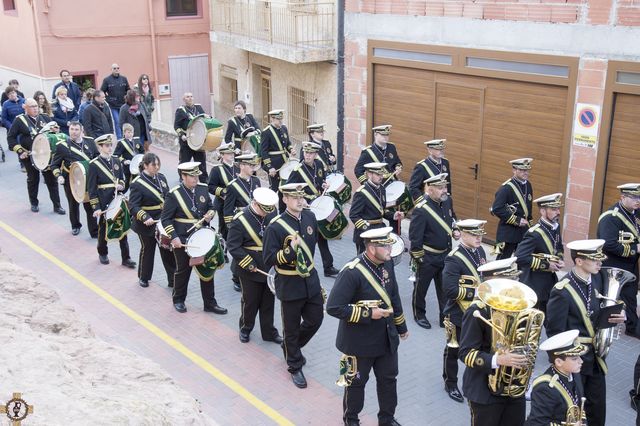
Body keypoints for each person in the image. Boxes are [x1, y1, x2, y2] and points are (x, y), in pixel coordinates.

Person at [327, 226, 408, 426]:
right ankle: (351, 420)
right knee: (355, 385)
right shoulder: (351, 272)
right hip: (358, 344)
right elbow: (334, 307)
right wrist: (369, 313)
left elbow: (393, 296)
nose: (391, 248)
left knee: (389, 381)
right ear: (372, 248)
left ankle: (387, 419)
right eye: (386, 245)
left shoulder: (386, 264)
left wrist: (401, 326)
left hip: (386, 340)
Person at [546, 239, 626, 426]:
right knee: (576, 410)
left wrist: (620, 313)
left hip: (597, 358)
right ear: (579, 261)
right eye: (594, 259)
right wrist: (566, 362)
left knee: (597, 409)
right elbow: (554, 332)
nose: (600, 263)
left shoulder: (599, 277)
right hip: (575, 360)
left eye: (600, 258)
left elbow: (611, 302)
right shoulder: (562, 290)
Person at [263, 183, 324, 388]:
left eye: (302, 196)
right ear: (285, 200)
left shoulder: (310, 217)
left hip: (310, 280)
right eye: (294, 197)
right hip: (289, 283)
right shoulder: (275, 226)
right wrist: (290, 251)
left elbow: (314, 243)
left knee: (315, 319)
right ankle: (294, 365)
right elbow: (269, 258)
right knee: (290, 328)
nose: (300, 200)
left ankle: (291, 347)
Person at [458, 277, 531, 426]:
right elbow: (465, 353)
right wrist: (497, 360)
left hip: (513, 389)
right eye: (509, 279)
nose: (514, 283)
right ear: (492, 280)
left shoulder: (519, 307)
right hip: (484, 391)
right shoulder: (478, 311)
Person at [160, 161, 228, 315]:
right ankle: (178, 299)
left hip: (202, 237)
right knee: (183, 271)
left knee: (207, 270)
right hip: (183, 239)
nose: (196, 178)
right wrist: (174, 238)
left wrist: (211, 213)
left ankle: (210, 303)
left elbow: (211, 207)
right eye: (192, 176)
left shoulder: (202, 189)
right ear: (183, 176)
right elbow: (166, 219)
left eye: (197, 175)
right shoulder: (174, 194)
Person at [226, 187, 283, 345]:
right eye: (263, 210)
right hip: (249, 267)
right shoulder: (240, 219)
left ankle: (269, 332)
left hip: (268, 265)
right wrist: (248, 263)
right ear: (255, 204)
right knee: (250, 301)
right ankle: (245, 328)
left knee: (268, 301)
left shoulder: (271, 212)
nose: (266, 214)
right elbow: (233, 246)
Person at [441, 219, 487, 403]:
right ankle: (450, 382)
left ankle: (475, 382)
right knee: (453, 350)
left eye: (480, 234)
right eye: (475, 234)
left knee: (477, 348)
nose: (479, 237)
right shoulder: (454, 257)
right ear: (463, 234)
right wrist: (477, 292)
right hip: (458, 312)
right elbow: (450, 290)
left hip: (476, 312)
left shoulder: (480, 250)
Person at [409, 173, 458, 330]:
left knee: (444, 288)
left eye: (445, 187)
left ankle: (444, 316)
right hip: (427, 256)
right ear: (429, 190)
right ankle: (419, 315)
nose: (445, 190)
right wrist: (419, 258)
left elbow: (452, 217)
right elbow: (415, 237)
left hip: (444, 254)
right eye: (440, 188)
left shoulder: (447, 201)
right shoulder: (421, 210)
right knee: (421, 288)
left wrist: (455, 229)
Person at [286, 141, 340, 277]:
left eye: (310, 153)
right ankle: (303, 264)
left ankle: (328, 267)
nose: (307, 155)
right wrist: (301, 200)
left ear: (316, 154)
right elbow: (287, 189)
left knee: (322, 237)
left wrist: (324, 185)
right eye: (305, 152)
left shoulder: (319, 165)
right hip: (306, 208)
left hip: (319, 205)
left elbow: (320, 180)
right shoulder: (298, 170)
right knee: (308, 238)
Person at [597, 183, 640, 339]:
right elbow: (608, 243)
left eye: (639, 197)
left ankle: (632, 326)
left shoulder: (636, 213)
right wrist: (635, 249)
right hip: (614, 265)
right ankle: (601, 325)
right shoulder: (610, 218)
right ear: (622, 197)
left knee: (630, 295)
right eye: (634, 197)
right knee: (609, 298)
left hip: (631, 265)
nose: (638, 200)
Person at [7, 98, 65, 214]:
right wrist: (20, 151)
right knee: (33, 179)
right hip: (30, 155)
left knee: (51, 181)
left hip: (46, 155)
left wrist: (56, 130)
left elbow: (55, 133)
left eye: (36, 106)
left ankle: (57, 206)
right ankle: (34, 203)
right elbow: (11, 138)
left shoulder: (45, 118)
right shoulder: (20, 120)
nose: (35, 108)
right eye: (32, 106)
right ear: (26, 108)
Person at [128, 152, 176, 288]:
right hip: (146, 223)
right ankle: (144, 277)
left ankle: (172, 279)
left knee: (167, 250)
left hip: (162, 220)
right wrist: (145, 217)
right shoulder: (137, 184)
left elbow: (168, 196)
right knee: (148, 250)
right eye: (154, 165)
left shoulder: (161, 177)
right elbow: (133, 206)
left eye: (158, 164)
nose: (157, 167)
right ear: (145, 165)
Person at [88, 134, 136, 268]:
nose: (110, 148)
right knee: (104, 227)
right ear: (100, 147)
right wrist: (96, 207)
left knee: (123, 226)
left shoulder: (116, 160)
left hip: (117, 199)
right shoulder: (94, 165)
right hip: (104, 200)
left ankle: (126, 257)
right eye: (107, 146)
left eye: (110, 145)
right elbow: (91, 188)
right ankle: (102, 252)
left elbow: (122, 178)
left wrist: (121, 184)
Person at [515, 193, 565, 315]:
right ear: (542, 211)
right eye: (553, 209)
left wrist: (559, 259)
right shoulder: (534, 233)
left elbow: (558, 247)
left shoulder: (555, 227)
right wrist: (547, 265)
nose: (558, 212)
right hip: (534, 283)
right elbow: (520, 257)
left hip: (549, 282)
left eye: (558, 209)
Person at [526, 329, 587, 426]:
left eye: (579, 357)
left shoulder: (575, 374)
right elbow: (537, 423)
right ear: (559, 362)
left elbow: (579, 407)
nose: (581, 361)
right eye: (574, 359)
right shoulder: (545, 388)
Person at [51, 121, 99, 237]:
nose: (74, 132)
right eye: (72, 129)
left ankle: (94, 231)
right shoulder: (62, 146)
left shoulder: (90, 142)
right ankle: (75, 225)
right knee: (73, 204)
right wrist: (59, 176)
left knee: (90, 205)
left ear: (82, 131)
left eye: (76, 129)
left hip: (88, 179)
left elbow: (97, 159)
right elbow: (54, 165)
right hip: (71, 180)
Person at [224, 152, 261, 291]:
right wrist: (230, 227)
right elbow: (227, 210)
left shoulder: (256, 181)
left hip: (256, 220)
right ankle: (236, 277)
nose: (253, 167)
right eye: (251, 165)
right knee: (240, 249)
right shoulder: (233, 185)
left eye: (253, 164)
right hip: (241, 223)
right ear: (242, 166)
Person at [349, 162, 399, 254]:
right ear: (369, 174)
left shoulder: (382, 189)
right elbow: (354, 215)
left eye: (382, 174)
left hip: (379, 229)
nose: (381, 177)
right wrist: (366, 230)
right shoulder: (361, 192)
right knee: (366, 263)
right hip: (366, 232)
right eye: (377, 174)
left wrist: (393, 215)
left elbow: (382, 210)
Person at [491, 158, 534, 259]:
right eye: (522, 170)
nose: (526, 173)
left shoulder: (528, 185)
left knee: (523, 261)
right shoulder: (506, 188)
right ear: (514, 170)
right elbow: (496, 208)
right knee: (501, 262)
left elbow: (528, 210)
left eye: (527, 170)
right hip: (507, 233)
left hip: (523, 232)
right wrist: (516, 220)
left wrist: (531, 227)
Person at [173, 92, 207, 182]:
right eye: (187, 97)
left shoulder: (198, 108)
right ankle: (183, 178)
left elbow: (204, 120)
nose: (190, 98)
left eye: (191, 96)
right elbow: (176, 126)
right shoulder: (181, 110)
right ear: (184, 99)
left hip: (198, 140)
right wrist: (182, 135)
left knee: (201, 161)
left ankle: (204, 180)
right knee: (185, 161)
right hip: (186, 140)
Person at [207, 142, 238, 241]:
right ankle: (223, 248)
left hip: (238, 203)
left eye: (232, 153)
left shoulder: (238, 168)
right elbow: (211, 187)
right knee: (224, 228)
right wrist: (223, 193)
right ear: (222, 155)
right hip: (223, 203)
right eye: (228, 154)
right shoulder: (216, 170)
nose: (231, 155)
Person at [259, 109, 293, 198]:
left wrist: (291, 149)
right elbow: (264, 151)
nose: (281, 121)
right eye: (278, 119)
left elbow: (288, 143)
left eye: (281, 119)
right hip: (274, 164)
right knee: (274, 188)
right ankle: (270, 208)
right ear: (272, 119)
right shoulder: (266, 132)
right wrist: (269, 167)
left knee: (285, 187)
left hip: (285, 162)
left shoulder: (284, 128)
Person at [408, 139, 452, 203]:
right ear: (430, 150)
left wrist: (448, 196)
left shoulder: (445, 162)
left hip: (443, 199)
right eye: (438, 149)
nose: (441, 151)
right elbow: (413, 187)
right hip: (430, 201)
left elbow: (447, 181)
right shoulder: (421, 166)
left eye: (442, 149)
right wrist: (423, 202)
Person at [100, 63, 130, 139]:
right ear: (111, 70)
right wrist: (108, 98)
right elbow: (102, 91)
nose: (116, 69)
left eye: (117, 68)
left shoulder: (124, 79)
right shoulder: (107, 80)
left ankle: (126, 137)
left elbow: (128, 90)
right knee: (117, 122)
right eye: (114, 68)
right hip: (113, 105)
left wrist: (127, 97)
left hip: (123, 105)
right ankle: (120, 139)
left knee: (125, 122)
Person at [113, 123, 144, 192]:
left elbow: (142, 151)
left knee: (137, 183)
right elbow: (116, 155)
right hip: (128, 167)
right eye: (128, 132)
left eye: (132, 132)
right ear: (124, 133)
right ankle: (121, 194)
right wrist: (124, 161)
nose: (130, 134)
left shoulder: (136, 141)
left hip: (137, 166)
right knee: (127, 183)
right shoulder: (121, 143)